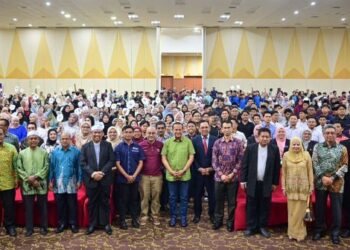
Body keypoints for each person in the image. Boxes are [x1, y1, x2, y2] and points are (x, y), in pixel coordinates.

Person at [240, 127, 281, 238]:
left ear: (270, 138)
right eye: (262, 136)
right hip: (252, 182)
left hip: (267, 183)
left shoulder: (274, 149)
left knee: (265, 206)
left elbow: (277, 167)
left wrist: (275, 183)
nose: (264, 138)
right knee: (251, 205)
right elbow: (244, 165)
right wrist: (243, 180)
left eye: (267, 137)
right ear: (257, 137)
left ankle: (263, 227)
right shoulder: (250, 148)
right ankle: (251, 227)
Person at [312, 125, 348, 245]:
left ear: (336, 133)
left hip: (336, 182)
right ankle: (319, 230)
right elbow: (315, 163)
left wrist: (332, 177)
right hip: (320, 181)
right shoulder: (317, 147)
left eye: (332, 133)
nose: (330, 135)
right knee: (320, 207)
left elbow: (345, 165)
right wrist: (322, 177)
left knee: (336, 209)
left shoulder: (342, 148)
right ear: (323, 134)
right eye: (327, 133)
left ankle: (335, 233)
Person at [80, 123, 115, 235]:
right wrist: (93, 173)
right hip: (91, 180)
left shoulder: (108, 145)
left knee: (105, 202)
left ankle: (106, 224)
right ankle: (92, 224)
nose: (97, 134)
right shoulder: (85, 147)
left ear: (102, 134)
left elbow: (111, 161)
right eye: (95, 132)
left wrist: (102, 172)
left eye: (99, 132)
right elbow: (83, 163)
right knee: (92, 203)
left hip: (104, 179)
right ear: (91, 133)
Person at [212, 120, 244, 232]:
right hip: (219, 178)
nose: (226, 129)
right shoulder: (217, 143)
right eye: (224, 127)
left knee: (232, 202)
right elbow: (214, 161)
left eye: (228, 127)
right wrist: (222, 175)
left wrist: (231, 174)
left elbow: (240, 160)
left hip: (233, 178)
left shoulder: (238, 142)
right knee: (218, 201)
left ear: (232, 128)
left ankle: (230, 222)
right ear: (221, 129)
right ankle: (218, 221)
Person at [161, 122, 195, 227]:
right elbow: (163, 157)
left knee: (184, 197)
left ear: (183, 129)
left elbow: (191, 157)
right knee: (172, 197)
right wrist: (170, 171)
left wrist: (183, 170)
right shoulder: (167, 142)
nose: (178, 131)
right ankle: (173, 217)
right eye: (176, 129)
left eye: (180, 129)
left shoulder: (188, 142)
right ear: (172, 130)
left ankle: (183, 217)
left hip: (184, 174)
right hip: (171, 174)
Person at [17, 131, 49, 237]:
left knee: (43, 207)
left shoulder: (44, 152)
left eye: (35, 138)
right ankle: (29, 229)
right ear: (27, 140)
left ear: (39, 140)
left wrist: (36, 177)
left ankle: (44, 228)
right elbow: (19, 168)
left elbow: (46, 167)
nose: (33, 140)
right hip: (27, 184)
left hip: (41, 183)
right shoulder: (22, 153)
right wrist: (28, 178)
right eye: (31, 138)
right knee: (28, 208)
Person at [281, 137, 313, 241]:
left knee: (301, 212)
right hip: (291, 188)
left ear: (301, 145)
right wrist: (283, 187)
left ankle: (300, 233)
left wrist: (311, 186)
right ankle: (291, 232)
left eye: (298, 144)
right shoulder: (286, 155)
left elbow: (310, 172)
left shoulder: (306, 155)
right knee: (292, 212)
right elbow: (283, 173)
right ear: (290, 145)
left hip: (303, 188)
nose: (296, 146)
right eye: (294, 144)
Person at [49, 132, 82, 234]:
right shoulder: (55, 152)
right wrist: (50, 181)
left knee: (72, 204)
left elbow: (79, 167)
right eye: (63, 139)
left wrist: (79, 180)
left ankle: (73, 224)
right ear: (60, 139)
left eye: (66, 138)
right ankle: (62, 224)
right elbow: (52, 168)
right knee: (60, 204)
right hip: (58, 183)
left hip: (72, 181)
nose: (64, 140)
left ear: (70, 140)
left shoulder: (76, 151)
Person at [115, 125, 145, 229]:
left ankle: (134, 219)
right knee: (123, 200)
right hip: (122, 179)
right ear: (123, 133)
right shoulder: (118, 147)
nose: (128, 134)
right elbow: (117, 163)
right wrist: (127, 176)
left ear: (133, 133)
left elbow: (141, 162)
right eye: (126, 132)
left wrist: (134, 175)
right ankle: (122, 221)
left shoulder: (138, 146)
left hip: (135, 178)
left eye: (130, 132)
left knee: (134, 200)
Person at [192, 120, 217, 224]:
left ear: (209, 128)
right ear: (199, 128)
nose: (204, 129)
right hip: (198, 173)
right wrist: (199, 168)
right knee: (197, 195)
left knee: (212, 196)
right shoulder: (194, 140)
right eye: (202, 127)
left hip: (211, 173)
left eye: (206, 127)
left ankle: (212, 215)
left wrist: (211, 168)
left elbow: (217, 157)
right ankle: (197, 215)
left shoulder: (215, 140)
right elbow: (193, 157)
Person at [139, 127, 163, 226]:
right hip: (144, 175)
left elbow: (164, 159)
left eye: (153, 133)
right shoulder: (141, 145)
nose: (151, 135)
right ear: (146, 133)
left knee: (156, 197)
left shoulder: (161, 145)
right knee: (144, 197)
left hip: (157, 175)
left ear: (156, 134)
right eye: (149, 133)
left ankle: (155, 215)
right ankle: (144, 215)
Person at [0, 127, 18, 237]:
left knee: (9, 206)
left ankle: (10, 226)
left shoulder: (11, 148)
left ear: (3, 135)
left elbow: (16, 166)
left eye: (0, 134)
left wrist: (17, 179)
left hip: (8, 182)